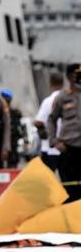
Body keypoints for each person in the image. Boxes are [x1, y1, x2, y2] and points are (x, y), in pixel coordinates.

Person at [47, 62, 81, 201]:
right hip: (69, 149)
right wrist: (54, 141)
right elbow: (51, 120)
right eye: (76, 75)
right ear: (68, 77)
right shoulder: (62, 97)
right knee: (69, 189)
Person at [35, 72, 64, 174]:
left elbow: (39, 122)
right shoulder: (68, 99)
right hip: (66, 148)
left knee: (48, 180)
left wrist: (42, 132)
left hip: (49, 148)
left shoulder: (48, 101)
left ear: (50, 83)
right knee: (67, 181)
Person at [1, 88, 25, 169]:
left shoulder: (15, 112)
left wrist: (24, 139)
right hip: (1, 139)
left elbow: (21, 125)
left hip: (13, 139)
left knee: (13, 159)